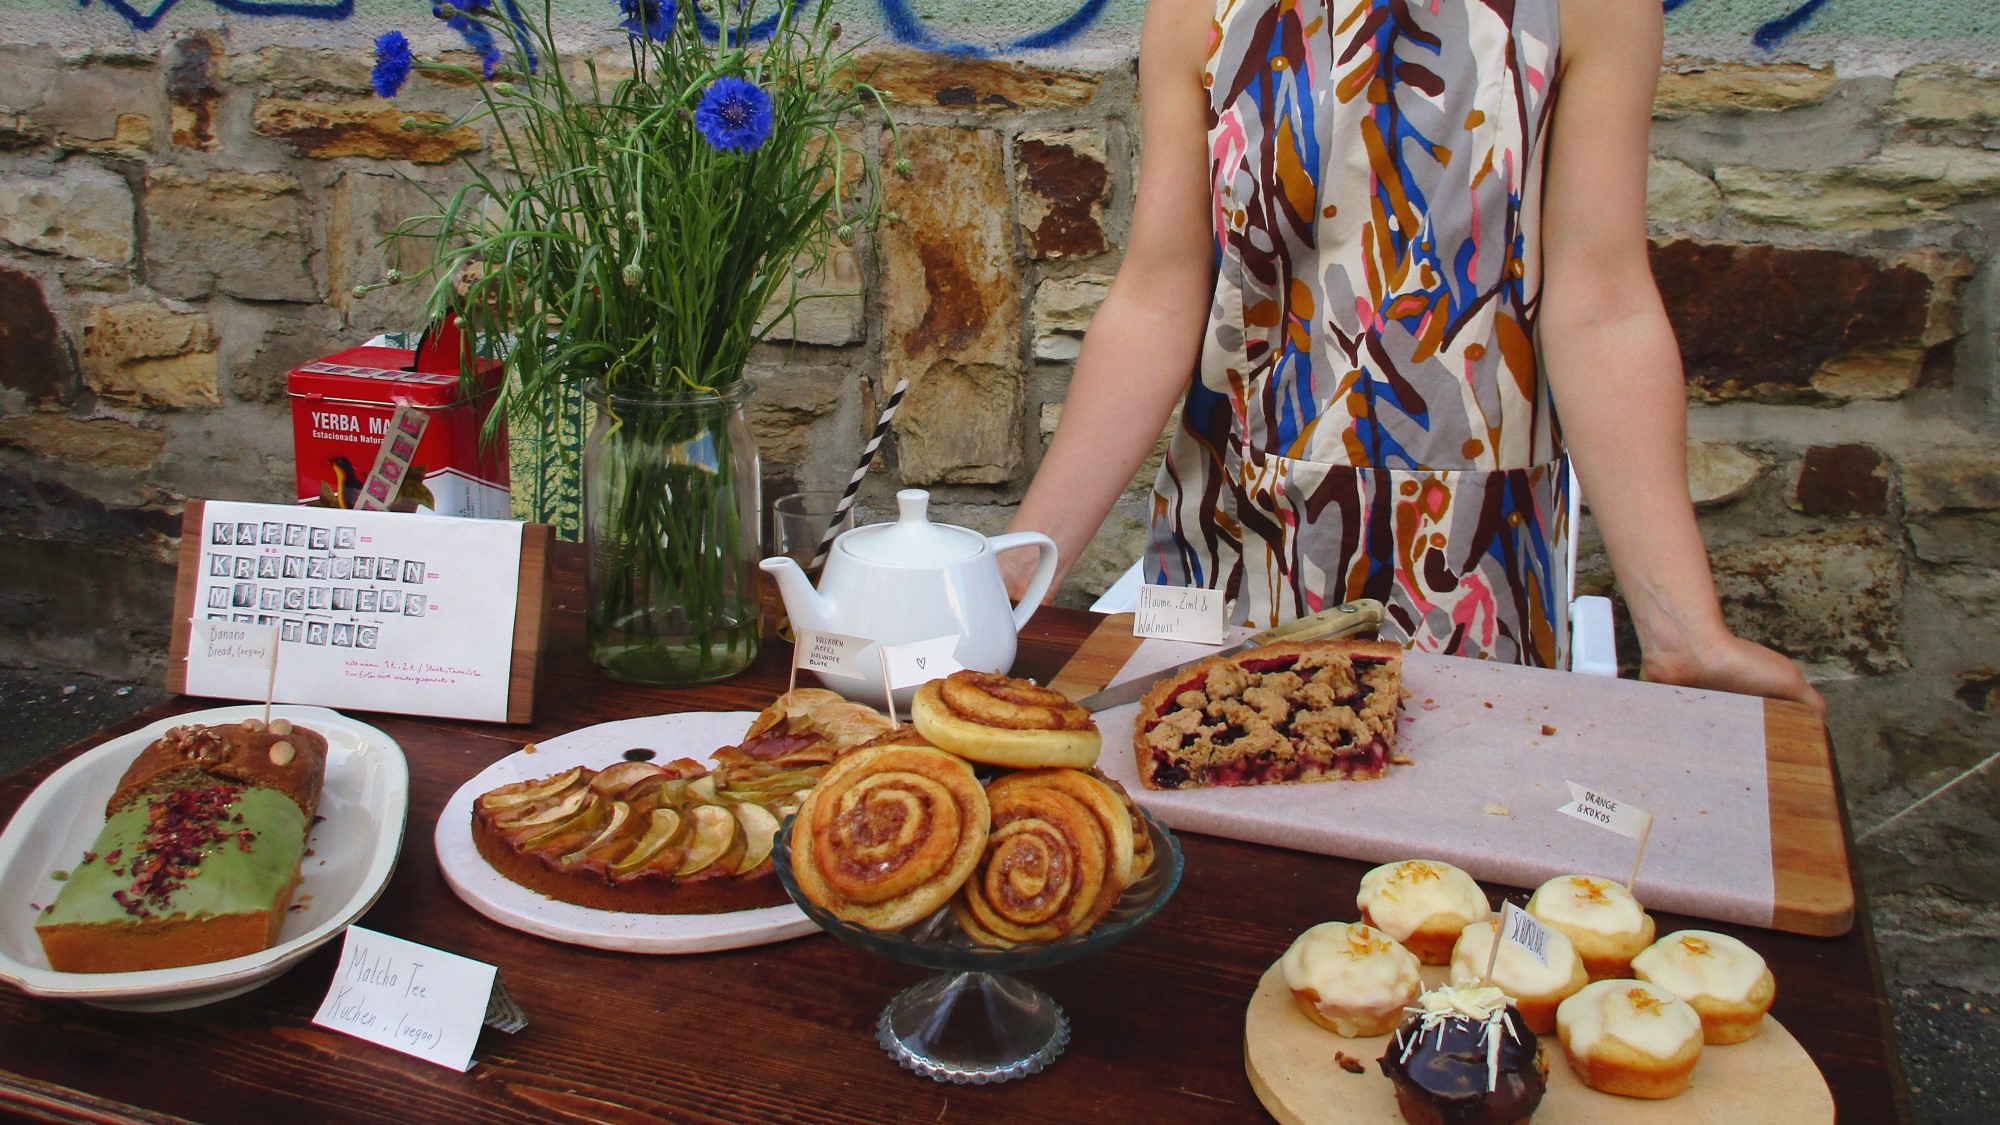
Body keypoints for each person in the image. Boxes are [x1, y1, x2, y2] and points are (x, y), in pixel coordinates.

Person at [1005, 0, 1822, 711]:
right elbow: (1158, 296)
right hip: (1234, 568)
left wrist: (1683, 631)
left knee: (1464, 839)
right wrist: (1016, 574)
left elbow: (1602, 306)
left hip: (1477, 583)